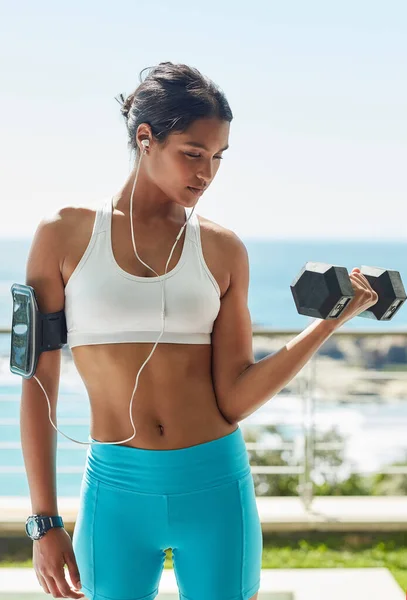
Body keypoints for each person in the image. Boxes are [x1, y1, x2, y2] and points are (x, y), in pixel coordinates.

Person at [21, 61, 378, 600]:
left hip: (215, 484)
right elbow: (37, 382)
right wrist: (43, 522)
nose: (206, 172)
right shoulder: (63, 235)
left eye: (218, 158)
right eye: (192, 153)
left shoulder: (222, 248)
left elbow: (234, 396)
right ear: (146, 138)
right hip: (116, 489)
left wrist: (328, 325)